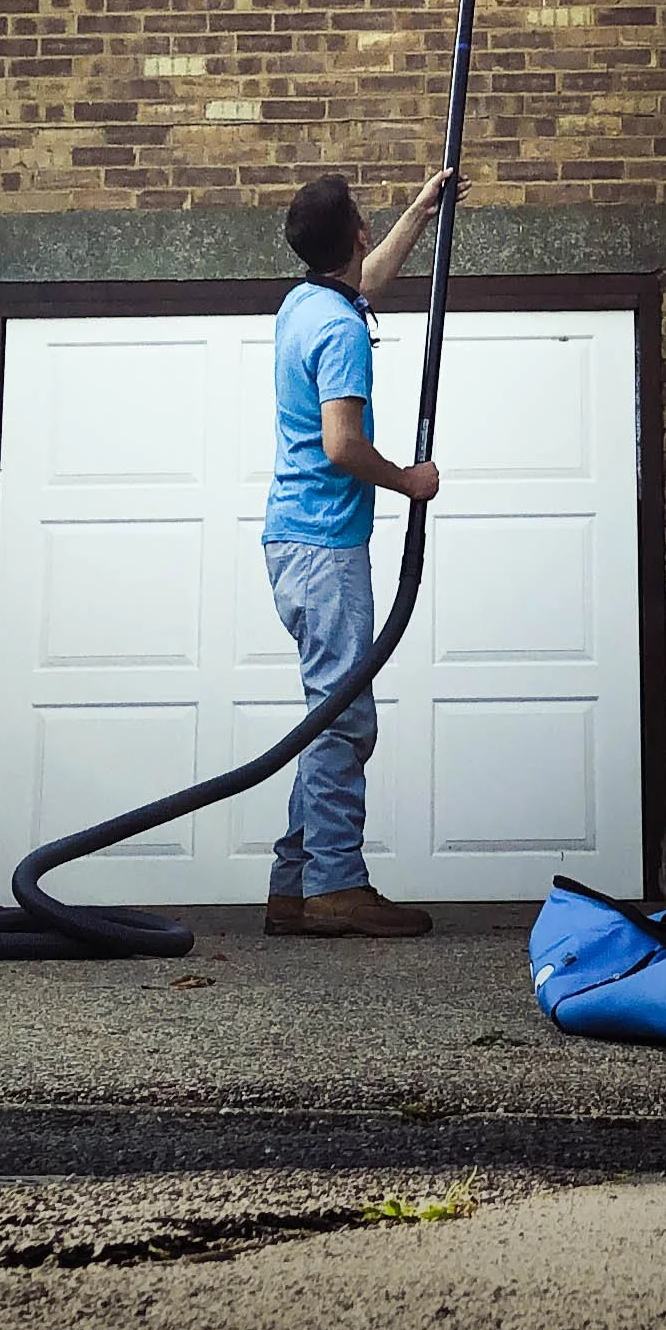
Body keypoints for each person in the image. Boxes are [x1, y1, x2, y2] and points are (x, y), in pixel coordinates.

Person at [263, 164, 452, 940]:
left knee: (326, 714)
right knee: (343, 718)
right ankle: (336, 884)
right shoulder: (341, 328)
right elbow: (342, 444)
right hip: (325, 545)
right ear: (356, 233)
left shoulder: (307, 303)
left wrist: (421, 211)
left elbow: (363, 279)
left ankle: (294, 885)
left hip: (293, 539)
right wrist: (408, 479)